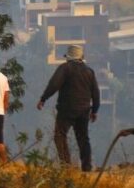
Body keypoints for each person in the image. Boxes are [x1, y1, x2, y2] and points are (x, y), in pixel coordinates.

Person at [36, 44, 100, 172]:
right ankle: (86, 167)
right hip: (84, 110)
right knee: (83, 138)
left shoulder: (65, 68)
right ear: (81, 57)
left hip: (66, 109)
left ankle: (66, 165)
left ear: (68, 57)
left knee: (59, 136)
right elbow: (96, 92)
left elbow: (54, 84)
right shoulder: (89, 72)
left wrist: (43, 98)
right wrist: (94, 110)